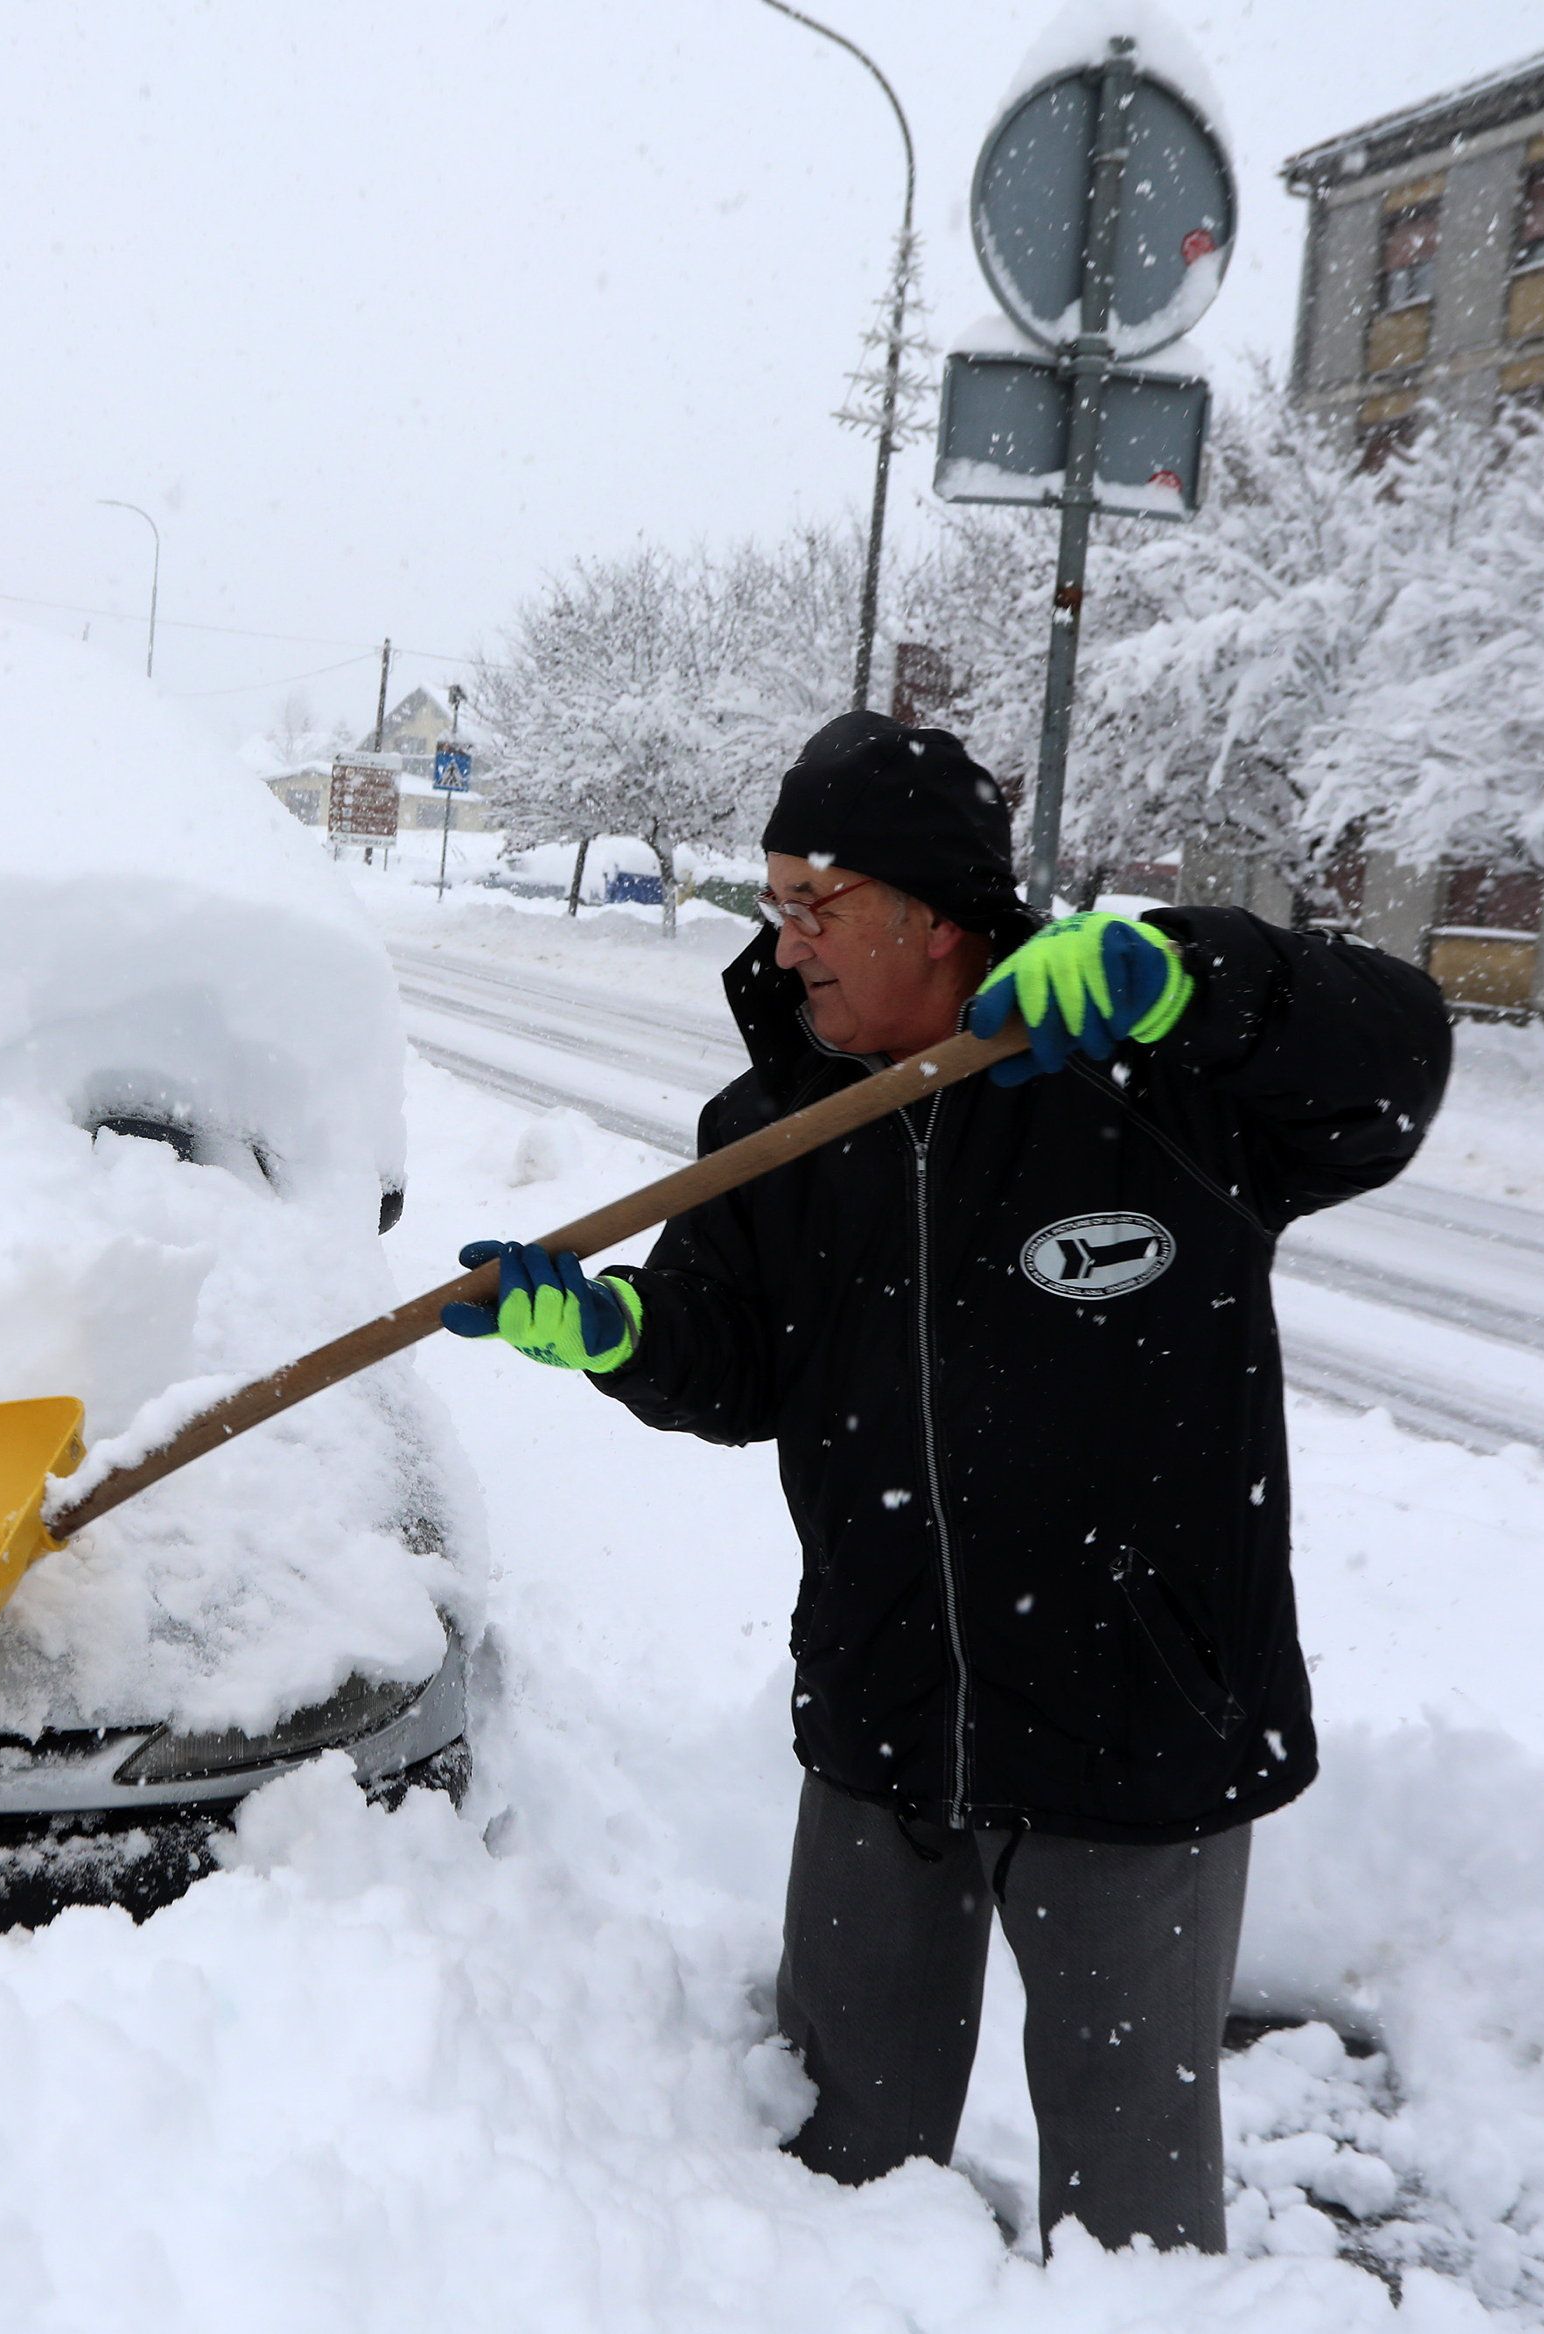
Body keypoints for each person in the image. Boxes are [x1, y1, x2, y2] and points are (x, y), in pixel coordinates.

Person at [443, 712, 1453, 2252]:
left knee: (1136, 2225)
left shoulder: (1153, 1086)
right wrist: (620, 1330)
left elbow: (1397, 1058)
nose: (783, 948)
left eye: (814, 905)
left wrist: (1196, 978)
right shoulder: (778, 1122)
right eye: (773, 905)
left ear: (932, 912)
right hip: (887, 1717)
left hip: (1141, 1733)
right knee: (827, 2175)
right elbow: (732, 1356)